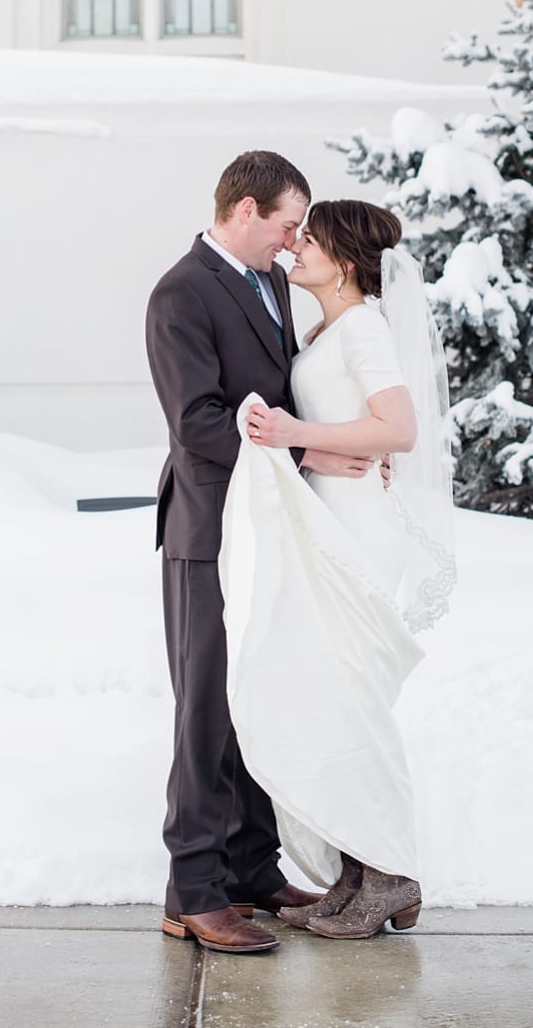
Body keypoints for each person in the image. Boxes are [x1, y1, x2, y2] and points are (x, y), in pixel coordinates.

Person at [141, 151, 388, 955]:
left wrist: (341, 436)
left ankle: (251, 869)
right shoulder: (180, 293)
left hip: (273, 527)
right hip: (210, 531)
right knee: (207, 709)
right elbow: (199, 423)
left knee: (257, 701)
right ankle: (194, 890)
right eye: (285, 226)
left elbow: (284, 395)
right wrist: (310, 455)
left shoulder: (272, 284)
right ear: (243, 211)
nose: (292, 244)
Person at [226, 199, 458, 940]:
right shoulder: (331, 327)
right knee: (336, 694)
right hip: (332, 516)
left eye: (311, 241)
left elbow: (400, 427)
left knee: (353, 696)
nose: (297, 250)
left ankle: (391, 875)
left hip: (360, 524)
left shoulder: (362, 327)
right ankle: (358, 874)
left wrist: (298, 432)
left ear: (347, 263)